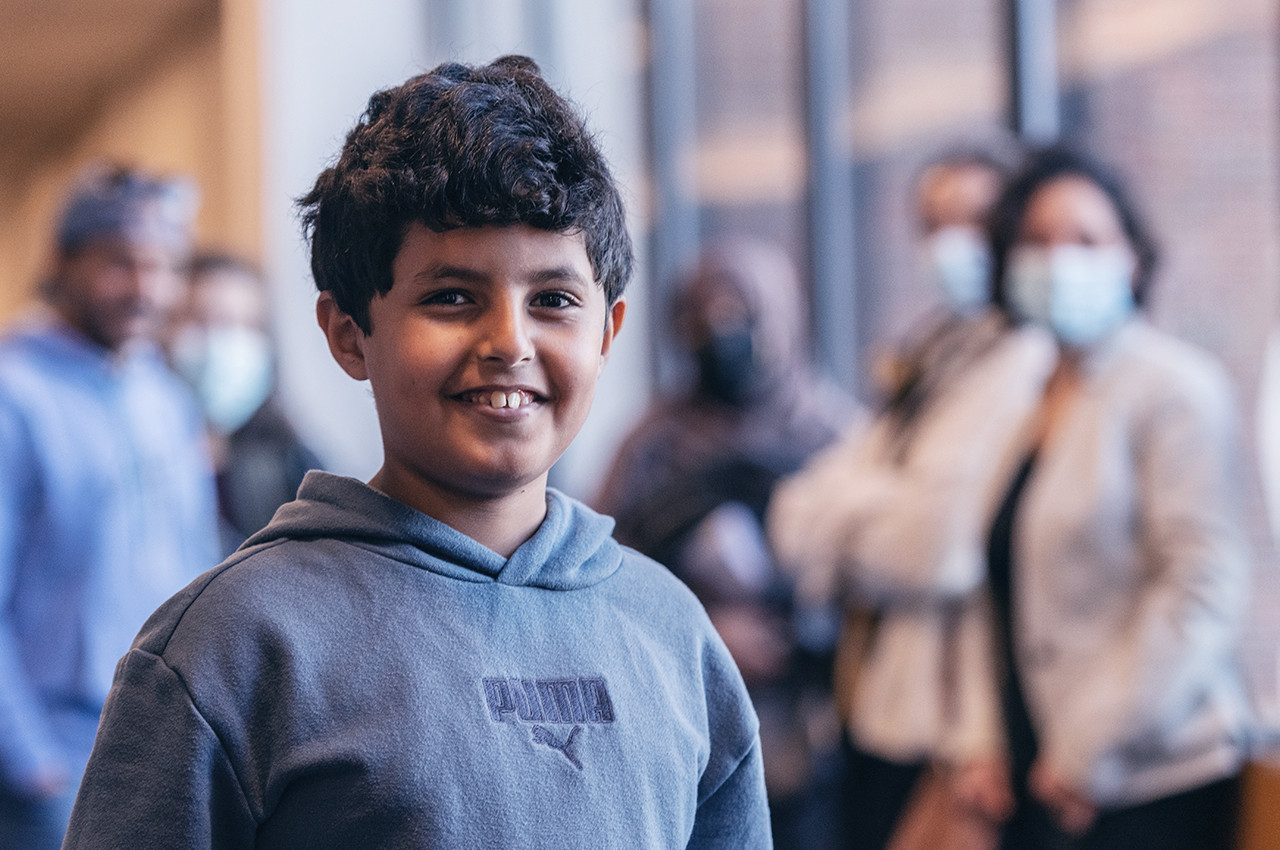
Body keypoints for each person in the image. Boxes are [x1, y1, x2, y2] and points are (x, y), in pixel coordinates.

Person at [63, 56, 771, 849]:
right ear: (348, 333)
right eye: (451, 298)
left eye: (553, 301)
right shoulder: (231, 647)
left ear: (607, 333)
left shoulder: (671, 633)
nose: (510, 342)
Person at [959, 147, 1252, 849]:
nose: (1061, 261)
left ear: (1133, 257)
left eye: (1087, 239)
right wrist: (983, 741)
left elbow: (1202, 585)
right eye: (1037, 241)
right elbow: (994, 591)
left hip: (1146, 779)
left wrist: (1089, 749)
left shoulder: (1173, 387)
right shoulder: (1024, 404)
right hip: (1038, 780)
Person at [766, 147, 1035, 850]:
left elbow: (936, 548)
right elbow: (795, 512)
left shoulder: (1030, 363)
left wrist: (853, 516)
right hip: (877, 707)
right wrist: (886, 505)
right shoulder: (939, 352)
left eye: (974, 221)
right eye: (933, 224)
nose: (953, 245)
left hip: (955, 731)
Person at [595, 237, 856, 848]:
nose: (719, 329)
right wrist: (706, 634)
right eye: (701, 314)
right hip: (679, 733)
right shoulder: (650, 444)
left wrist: (794, 637)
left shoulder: (835, 434)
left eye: (739, 309)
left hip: (818, 746)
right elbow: (601, 573)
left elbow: (866, 582)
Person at [0, 164, 219, 849]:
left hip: (159, 757)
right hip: (54, 771)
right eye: (121, 264)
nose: (147, 290)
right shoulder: (15, 396)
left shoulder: (164, 395)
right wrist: (27, 761)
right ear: (62, 262)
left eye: (164, 267)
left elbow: (198, 571)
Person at [167, 252, 323, 554]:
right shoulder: (136, 458)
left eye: (241, 324)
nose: (219, 342)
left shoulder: (293, 467)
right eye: (200, 320)